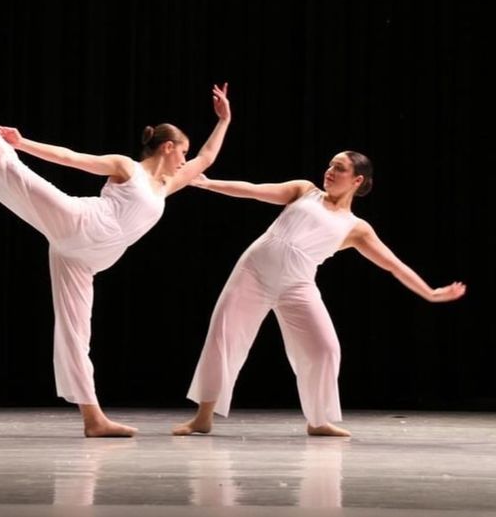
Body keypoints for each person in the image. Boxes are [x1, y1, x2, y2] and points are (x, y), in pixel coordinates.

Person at [0, 72, 231, 436]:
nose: (185, 158)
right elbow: (71, 158)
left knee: (75, 333)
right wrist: (23, 143)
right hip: (82, 224)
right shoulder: (126, 167)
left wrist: (223, 120)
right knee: (17, 174)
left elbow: (207, 157)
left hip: (85, 258)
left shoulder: (166, 185)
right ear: (167, 147)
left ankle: (92, 418)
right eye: (183, 151)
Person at [172, 151, 466, 437]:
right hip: (253, 273)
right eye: (330, 165)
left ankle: (319, 420)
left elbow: (393, 266)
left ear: (357, 180)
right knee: (224, 337)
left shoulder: (357, 228)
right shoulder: (304, 191)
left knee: (325, 348)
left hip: (297, 285)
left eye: (339, 168)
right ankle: (203, 418)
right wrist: (206, 183)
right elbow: (254, 191)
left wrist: (430, 293)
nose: (329, 171)